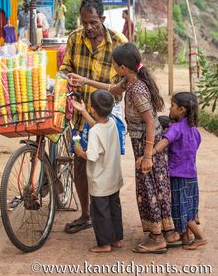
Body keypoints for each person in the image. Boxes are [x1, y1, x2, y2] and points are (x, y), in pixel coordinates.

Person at [68, 42, 179, 253]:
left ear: (122, 67)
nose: (114, 68)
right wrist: (84, 81)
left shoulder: (136, 89)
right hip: (149, 142)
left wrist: (147, 155)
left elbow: (148, 121)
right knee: (158, 187)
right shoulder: (131, 80)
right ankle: (169, 232)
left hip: (148, 144)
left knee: (149, 189)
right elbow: (112, 89)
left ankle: (157, 238)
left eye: (114, 65)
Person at [60, 0, 127, 234]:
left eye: (93, 23)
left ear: (103, 19)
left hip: (108, 116)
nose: (88, 27)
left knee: (106, 164)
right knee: (80, 161)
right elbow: (64, 68)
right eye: (85, 22)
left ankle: (109, 216)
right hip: (80, 114)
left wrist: (89, 82)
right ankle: (86, 214)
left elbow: (123, 85)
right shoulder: (74, 39)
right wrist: (67, 77)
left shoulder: (118, 43)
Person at [152, 92, 207, 250]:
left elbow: (164, 142)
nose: (170, 108)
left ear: (181, 109)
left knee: (180, 208)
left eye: (172, 106)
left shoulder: (176, 128)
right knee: (188, 206)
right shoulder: (195, 130)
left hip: (178, 175)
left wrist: (150, 153)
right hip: (191, 174)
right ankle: (186, 238)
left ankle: (200, 237)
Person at [72, 90, 123, 253]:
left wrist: (79, 151)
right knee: (114, 209)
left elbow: (92, 156)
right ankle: (117, 239)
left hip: (99, 181)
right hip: (113, 178)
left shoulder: (94, 132)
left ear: (93, 109)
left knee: (100, 214)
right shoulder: (112, 123)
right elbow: (99, 128)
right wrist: (84, 112)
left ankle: (104, 243)